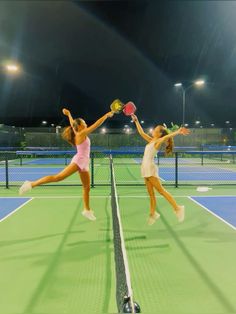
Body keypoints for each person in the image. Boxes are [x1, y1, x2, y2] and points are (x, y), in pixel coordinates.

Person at [19, 108, 114, 221]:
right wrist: (106, 115)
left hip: (84, 162)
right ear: (79, 126)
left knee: (86, 187)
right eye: (84, 123)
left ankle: (87, 210)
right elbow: (96, 124)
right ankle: (31, 184)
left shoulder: (77, 131)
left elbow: (72, 123)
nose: (86, 123)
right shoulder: (81, 133)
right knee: (58, 177)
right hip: (79, 160)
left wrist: (69, 114)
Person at [131, 114, 190, 225]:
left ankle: (178, 208)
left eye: (155, 130)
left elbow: (166, 137)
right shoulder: (151, 140)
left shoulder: (158, 141)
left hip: (150, 168)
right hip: (144, 168)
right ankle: (153, 214)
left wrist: (178, 132)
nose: (153, 130)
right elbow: (141, 133)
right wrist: (136, 121)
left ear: (159, 133)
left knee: (161, 191)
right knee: (151, 193)